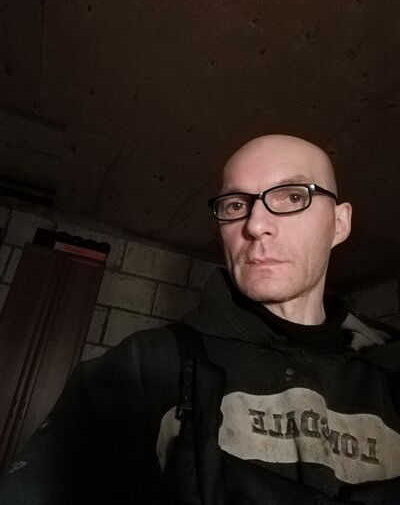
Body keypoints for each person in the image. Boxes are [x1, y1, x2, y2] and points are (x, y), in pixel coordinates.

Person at [0, 134, 399, 504]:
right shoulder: (143, 367)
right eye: (236, 205)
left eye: (293, 196)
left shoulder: (391, 371)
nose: (255, 225)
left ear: (340, 223)